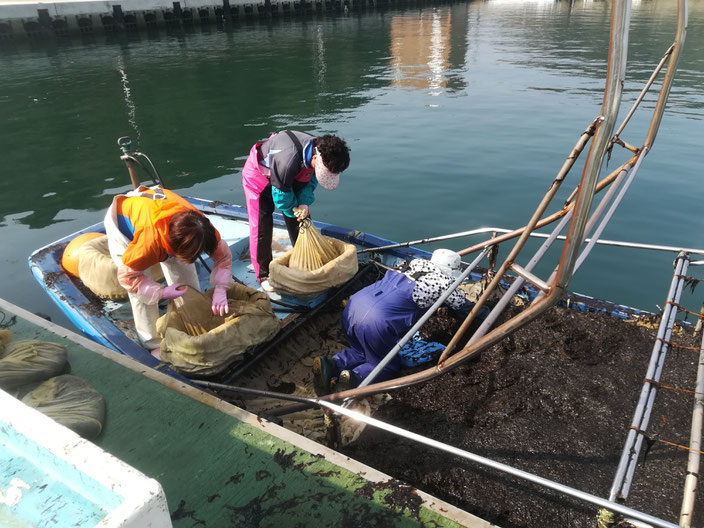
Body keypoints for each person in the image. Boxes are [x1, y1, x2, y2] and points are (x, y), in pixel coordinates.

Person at [313, 249, 488, 394]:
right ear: (452, 272)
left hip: (353, 307)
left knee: (363, 348)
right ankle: (353, 378)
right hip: (377, 322)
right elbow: (467, 308)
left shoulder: (411, 264)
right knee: (386, 365)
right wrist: (489, 315)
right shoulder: (443, 284)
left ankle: (332, 363)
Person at [104, 185, 233, 351]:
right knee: (139, 293)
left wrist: (221, 288)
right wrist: (161, 292)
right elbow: (128, 278)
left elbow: (222, 257)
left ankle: (192, 321)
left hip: (159, 208)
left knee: (186, 275)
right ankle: (151, 342)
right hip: (123, 219)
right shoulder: (148, 245)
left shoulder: (202, 227)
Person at [241, 130, 350, 292]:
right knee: (262, 225)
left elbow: (310, 181)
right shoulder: (287, 161)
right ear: (315, 159)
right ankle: (263, 274)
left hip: (290, 177)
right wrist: (295, 211)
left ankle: (306, 260)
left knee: (303, 221)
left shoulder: (321, 149)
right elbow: (282, 199)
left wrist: (304, 204)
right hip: (259, 180)